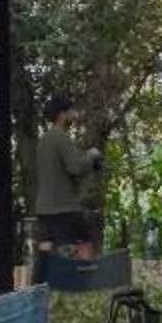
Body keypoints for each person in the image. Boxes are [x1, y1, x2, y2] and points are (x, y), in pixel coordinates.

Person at [30, 95, 104, 258]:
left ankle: (48, 274)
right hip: (64, 208)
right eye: (71, 111)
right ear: (62, 114)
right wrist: (91, 156)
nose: (74, 115)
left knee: (47, 251)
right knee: (84, 246)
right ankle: (84, 273)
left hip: (44, 209)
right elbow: (75, 167)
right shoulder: (61, 138)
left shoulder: (44, 140)